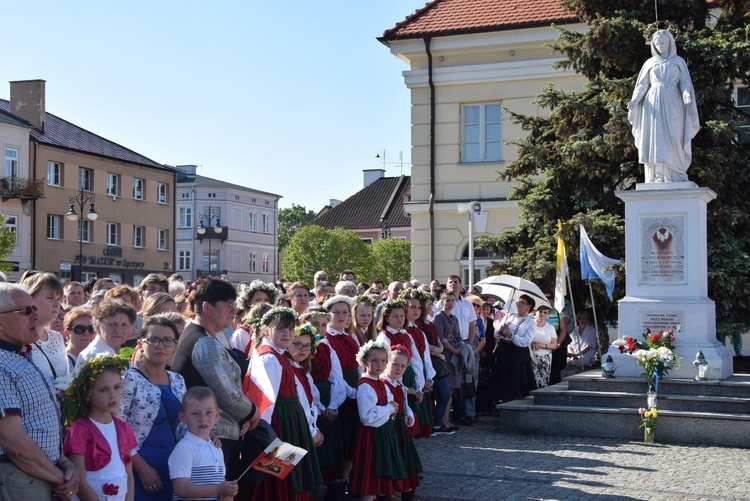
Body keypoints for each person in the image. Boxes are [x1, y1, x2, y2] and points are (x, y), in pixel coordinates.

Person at [170, 277, 263, 483]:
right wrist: (254, 413)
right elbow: (228, 395)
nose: (233, 311)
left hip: (210, 435)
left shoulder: (204, 336)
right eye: (228, 305)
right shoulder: (204, 343)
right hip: (212, 435)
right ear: (207, 307)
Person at [0, 283, 80, 500]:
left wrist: (64, 463)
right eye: (26, 311)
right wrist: (59, 476)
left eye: (34, 308)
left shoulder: (22, 354)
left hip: (43, 473)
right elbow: (13, 443)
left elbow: (39, 422)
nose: (35, 315)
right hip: (20, 477)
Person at [243, 307, 322, 499]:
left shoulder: (279, 354)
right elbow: (265, 400)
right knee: (277, 478)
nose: (286, 334)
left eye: (290, 329)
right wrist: (268, 439)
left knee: (288, 475)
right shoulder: (269, 357)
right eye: (280, 329)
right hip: (281, 424)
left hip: (290, 422)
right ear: (267, 330)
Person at [118, 316, 186, 500]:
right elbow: (117, 428)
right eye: (154, 340)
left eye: (167, 340)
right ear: (140, 344)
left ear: (175, 346)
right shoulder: (127, 380)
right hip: (138, 467)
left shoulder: (178, 380)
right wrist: (141, 468)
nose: (161, 345)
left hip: (175, 467)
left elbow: (185, 424)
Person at [627, 29, 699, 183]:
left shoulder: (678, 62)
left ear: (669, 43)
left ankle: (677, 172)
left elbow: (685, 81)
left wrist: (686, 93)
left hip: (673, 101)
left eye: (662, 43)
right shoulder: (650, 63)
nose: (659, 46)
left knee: (674, 136)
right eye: (656, 43)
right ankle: (658, 175)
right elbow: (643, 85)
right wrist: (635, 100)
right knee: (655, 138)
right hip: (653, 104)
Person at [63, 355, 136, 501]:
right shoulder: (81, 429)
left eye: (116, 387)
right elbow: (80, 480)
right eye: (103, 390)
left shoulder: (123, 427)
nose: (112, 395)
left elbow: (129, 475)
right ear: (88, 394)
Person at [348, 340, 406, 500]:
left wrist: (390, 410)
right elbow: (366, 417)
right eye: (374, 360)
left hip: (383, 435)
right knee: (369, 482)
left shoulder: (380, 382)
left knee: (378, 481)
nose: (379, 364)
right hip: (371, 437)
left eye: (383, 360)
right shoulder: (366, 386)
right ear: (364, 362)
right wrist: (388, 409)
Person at [168, 386, 238, 501]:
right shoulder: (185, 449)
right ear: (183, 417)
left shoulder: (217, 448)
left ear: (216, 415)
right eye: (195, 413)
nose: (203, 418)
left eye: (208, 413)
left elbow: (221, 483)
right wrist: (218, 489)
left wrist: (227, 494)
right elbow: (180, 488)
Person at [381, 345, 422, 501]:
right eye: (394, 364)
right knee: (392, 464)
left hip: (401, 429)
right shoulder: (383, 383)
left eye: (403, 366)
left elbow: (405, 404)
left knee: (408, 463)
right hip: (390, 429)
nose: (398, 369)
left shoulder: (400, 385)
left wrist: (409, 415)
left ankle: (408, 495)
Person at [21, 272, 70, 387]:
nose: (57, 304)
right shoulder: (18, 339)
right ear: (30, 299)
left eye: (58, 299)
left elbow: (65, 376)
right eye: (50, 297)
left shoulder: (57, 337)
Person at [400, 288, 435, 438]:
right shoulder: (403, 330)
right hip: (409, 369)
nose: (416, 310)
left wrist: (429, 377)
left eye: (419, 307)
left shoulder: (419, 331)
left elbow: (426, 355)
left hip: (421, 368)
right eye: (412, 307)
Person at [492, 294, 537, 403]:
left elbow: (526, 342)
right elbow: (495, 334)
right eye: (518, 303)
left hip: (518, 355)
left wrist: (511, 335)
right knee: (503, 380)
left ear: (528, 307)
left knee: (516, 382)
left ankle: (516, 405)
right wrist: (500, 330)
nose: (519, 305)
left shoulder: (530, 322)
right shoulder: (510, 316)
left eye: (522, 303)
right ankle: (504, 403)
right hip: (504, 352)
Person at [433, 291, 466, 428]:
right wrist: (454, 350)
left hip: (454, 355)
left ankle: (446, 420)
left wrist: (463, 349)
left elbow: (458, 336)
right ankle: (441, 420)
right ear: (442, 302)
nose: (450, 303)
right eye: (447, 300)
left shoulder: (454, 318)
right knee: (444, 390)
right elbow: (440, 337)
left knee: (451, 389)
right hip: (444, 355)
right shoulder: (439, 317)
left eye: (452, 300)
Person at [77, 300, 137, 366]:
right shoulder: (94, 358)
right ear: (97, 326)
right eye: (112, 324)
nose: (119, 330)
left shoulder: (117, 354)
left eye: (124, 324)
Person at [530, 305, 558, 388]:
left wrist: (543, 346)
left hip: (545, 358)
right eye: (540, 311)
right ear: (535, 312)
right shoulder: (530, 324)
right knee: (532, 380)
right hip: (531, 356)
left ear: (547, 315)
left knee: (543, 382)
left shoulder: (550, 327)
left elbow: (554, 344)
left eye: (545, 312)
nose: (542, 314)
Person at [64, 307, 96, 373]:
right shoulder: (61, 361)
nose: (87, 333)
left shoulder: (100, 358)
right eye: (79, 329)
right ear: (67, 333)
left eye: (91, 329)